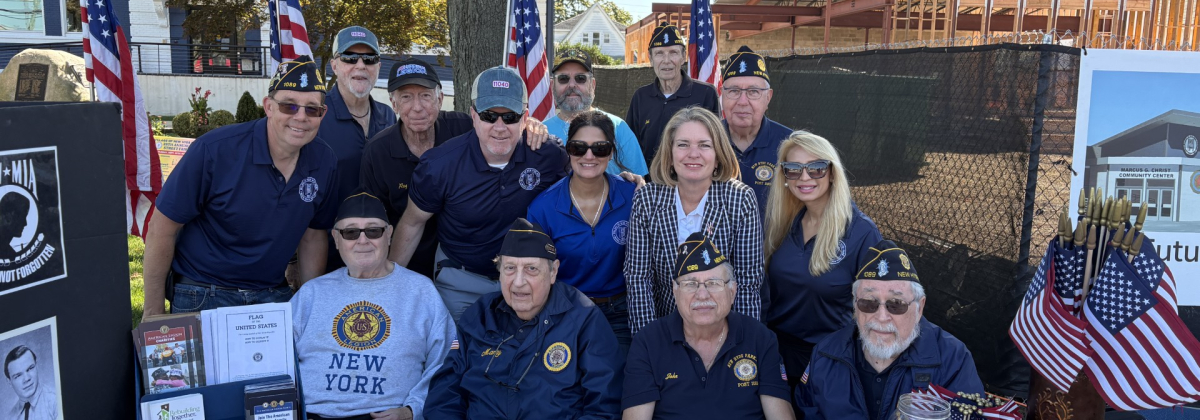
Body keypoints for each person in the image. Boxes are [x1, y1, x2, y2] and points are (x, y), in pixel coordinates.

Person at [141, 55, 337, 317]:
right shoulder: (214, 150)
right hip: (203, 291)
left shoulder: (324, 160)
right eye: (289, 106)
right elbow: (161, 228)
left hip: (272, 293)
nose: (301, 116)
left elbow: (313, 236)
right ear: (268, 107)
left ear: (323, 114)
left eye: (312, 109)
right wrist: (153, 312)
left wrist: (311, 307)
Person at [387, 66, 568, 322]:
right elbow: (412, 223)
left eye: (510, 117)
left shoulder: (548, 155)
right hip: (461, 281)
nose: (499, 127)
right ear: (473, 115)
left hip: (526, 282)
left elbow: (583, 185)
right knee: (457, 345)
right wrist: (388, 285)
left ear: (525, 117)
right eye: (488, 116)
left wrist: (623, 180)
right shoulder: (440, 165)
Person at [360, 58, 550, 279]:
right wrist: (384, 279)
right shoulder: (378, 152)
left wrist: (530, 126)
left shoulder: (463, 127)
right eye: (406, 97)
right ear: (394, 104)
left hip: (464, 259)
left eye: (425, 96)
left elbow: (498, 124)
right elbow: (372, 220)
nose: (417, 107)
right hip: (411, 258)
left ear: (440, 99)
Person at [425, 219, 622, 419]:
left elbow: (604, 408)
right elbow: (444, 395)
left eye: (531, 269)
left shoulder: (584, 319)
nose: (518, 282)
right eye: (510, 268)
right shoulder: (480, 315)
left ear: (553, 272)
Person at [292, 192, 455, 420]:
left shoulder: (421, 291)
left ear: (389, 235)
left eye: (373, 231)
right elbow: (278, 358)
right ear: (336, 238)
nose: (362, 240)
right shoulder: (312, 293)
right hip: (312, 414)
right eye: (350, 232)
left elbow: (447, 358)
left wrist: (411, 410)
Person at [795, 240, 984, 420]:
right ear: (855, 305)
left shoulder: (952, 360)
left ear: (919, 308)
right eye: (869, 303)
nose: (882, 316)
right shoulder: (825, 356)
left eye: (896, 304)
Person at [622, 232, 794, 420]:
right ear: (675, 292)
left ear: (732, 291)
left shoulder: (760, 338)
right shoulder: (648, 342)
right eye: (690, 284)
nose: (702, 295)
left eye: (713, 283)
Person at [625, 107, 764, 335]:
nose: (693, 153)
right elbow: (638, 279)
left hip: (723, 331)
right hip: (664, 327)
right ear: (669, 155)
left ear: (718, 156)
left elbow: (747, 282)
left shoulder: (740, 199)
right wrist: (648, 343)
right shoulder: (647, 199)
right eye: (683, 144)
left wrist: (740, 344)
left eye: (704, 145)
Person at [762, 131, 883, 389]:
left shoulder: (861, 232)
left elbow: (876, 306)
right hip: (775, 353)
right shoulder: (784, 223)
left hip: (827, 360)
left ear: (832, 173)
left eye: (816, 168)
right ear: (784, 176)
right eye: (793, 169)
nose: (804, 177)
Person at [527, 111, 642, 355]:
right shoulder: (543, 208)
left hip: (620, 312)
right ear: (568, 150)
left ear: (611, 153)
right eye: (579, 148)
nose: (589, 156)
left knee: (618, 374)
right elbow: (536, 273)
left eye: (600, 148)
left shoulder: (633, 196)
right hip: (566, 310)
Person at [316, 26, 397, 272]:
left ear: (378, 66)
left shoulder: (388, 116)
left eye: (369, 59)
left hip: (377, 250)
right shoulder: (315, 116)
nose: (360, 65)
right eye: (350, 57)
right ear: (334, 65)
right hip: (326, 252)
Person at [626, 22, 720, 168]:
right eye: (659, 53)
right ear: (651, 59)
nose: (666, 60)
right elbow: (630, 147)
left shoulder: (706, 94)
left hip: (690, 179)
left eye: (673, 53)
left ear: (683, 57)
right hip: (647, 180)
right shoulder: (641, 97)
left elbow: (716, 143)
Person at [542, 48, 648, 176]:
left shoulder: (618, 128)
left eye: (580, 78)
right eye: (563, 78)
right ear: (552, 85)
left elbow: (639, 181)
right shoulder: (541, 133)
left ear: (593, 85)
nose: (572, 85)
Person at [720, 46, 793, 217]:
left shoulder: (791, 145)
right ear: (722, 95)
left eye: (753, 92)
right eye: (734, 91)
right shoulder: (705, 141)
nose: (742, 101)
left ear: (768, 97)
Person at [5, 345, 58, 420]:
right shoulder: (10, 417)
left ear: (37, 366)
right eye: (18, 376)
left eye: (30, 368)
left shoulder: (56, 402)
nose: (26, 379)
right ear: (9, 381)